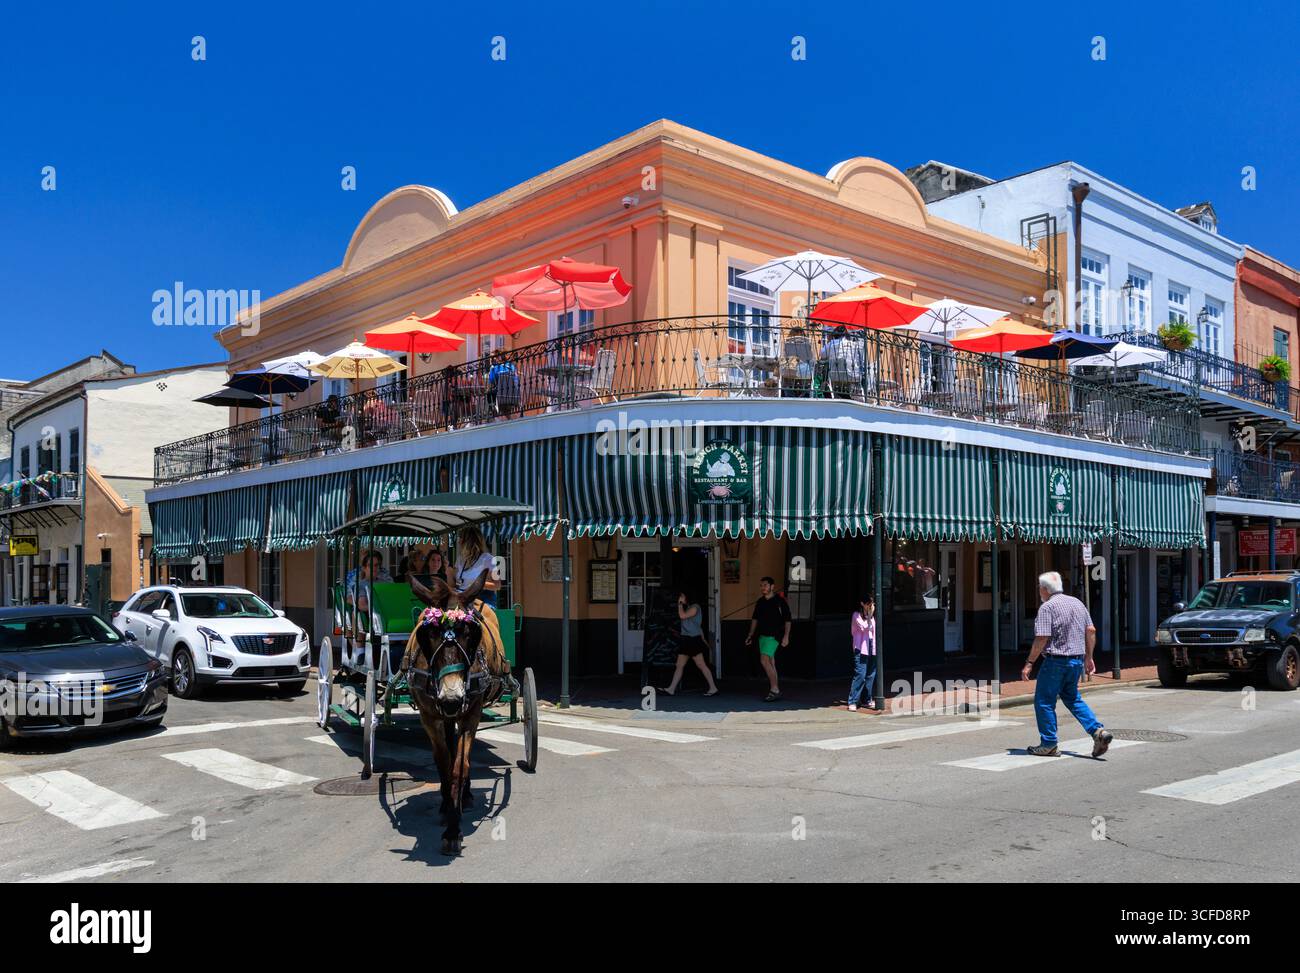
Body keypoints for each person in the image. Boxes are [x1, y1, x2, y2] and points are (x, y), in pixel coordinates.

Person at [1021, 571, 1113, 758]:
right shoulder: (1077, 603)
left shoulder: (1047, 607)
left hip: (1056, 660)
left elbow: (1042, 638)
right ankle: (1098, 732)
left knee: (1044, 702)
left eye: (1040, 587)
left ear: (1045, 589)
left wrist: (1029, 662)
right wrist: (1089, 657)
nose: (1039, 590)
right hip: (1075, 660)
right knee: (1072, 698)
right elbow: (1091, 630)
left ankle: (1048, 743)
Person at [662, 590, 719, 697]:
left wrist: (679, 605)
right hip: (686, 640)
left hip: (693, 640)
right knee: (679, 665)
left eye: (682, 596)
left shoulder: (695, 607)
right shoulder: (688, 607)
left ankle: (713, 688)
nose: (680, 598)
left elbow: (682, 616)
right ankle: (671, 689)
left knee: (701, 665)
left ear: (688, 597)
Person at [745, 576, 791, 702]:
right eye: (761, 585)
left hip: (774, 636)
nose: (762, 588)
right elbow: (755, 619)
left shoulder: (780, 601)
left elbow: (787, 620)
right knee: (770, 662)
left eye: (765, 585)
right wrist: (750, 635)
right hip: (762, 636)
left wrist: (786, 636)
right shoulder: (760, 602)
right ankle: (776, 689)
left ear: (772, 586)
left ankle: (774, 689)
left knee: (764, 660)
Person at [452, 526, 500, 607]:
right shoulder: (460, 559)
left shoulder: (488, 559)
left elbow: (497, 585)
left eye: (461, 538)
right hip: (461, 597)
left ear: (469, 541)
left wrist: (478, 584)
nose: (459, 542)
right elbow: (455, 582)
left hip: (482, 598)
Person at [847, 595, 877, 712]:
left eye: (872, 604)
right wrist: (870, 615)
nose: (870, 606)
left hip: (871, 646)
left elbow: (873, 631)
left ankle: (867, 699)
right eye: (868, 604)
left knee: (870, 674)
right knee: (860, 674)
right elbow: (864, 627)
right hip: (861, 647)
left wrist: (870, 616)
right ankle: (853, 701)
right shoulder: (856, 616)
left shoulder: (872, 617)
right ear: (862, 604)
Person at [345, 549, 391, 617]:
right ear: (364, 568)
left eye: (376, 565)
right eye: (370, 565)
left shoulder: (385, 582)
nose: (374, 568)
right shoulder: (361, 584)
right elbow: (362, 605)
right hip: (374, 617)